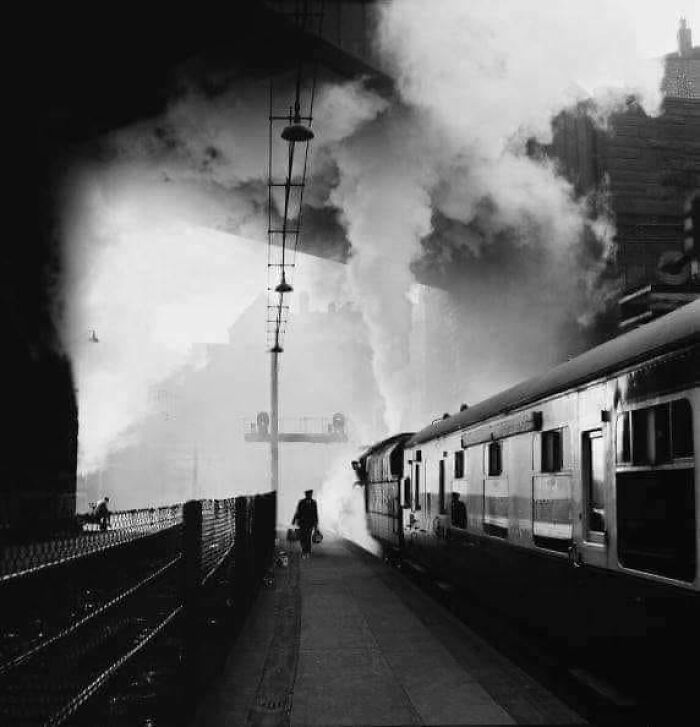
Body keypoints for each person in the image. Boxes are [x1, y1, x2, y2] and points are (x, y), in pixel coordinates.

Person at [292, 489, 319, 559]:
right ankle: (304, 550)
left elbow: (315, 514)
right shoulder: (301, 502)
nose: (309, 495)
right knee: (302, 538)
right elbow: (297, 512)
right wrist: (293, 521)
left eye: (310, 494)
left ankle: (307, 551)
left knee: (308, 537)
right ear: (306, 495)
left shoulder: (314, 503)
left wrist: (316, 525)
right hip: (302, 523)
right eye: (308, 494)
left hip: (310, 524)